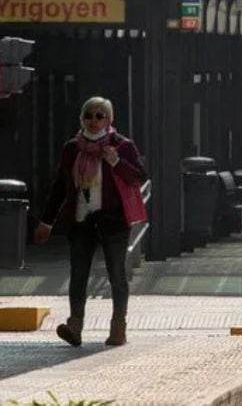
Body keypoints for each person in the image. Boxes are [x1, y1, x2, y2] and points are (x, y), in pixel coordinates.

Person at [33, 96, 148, 347]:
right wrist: (47, 221)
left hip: (113, 221)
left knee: (116, 274)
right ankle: (75, 325)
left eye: (100, 116)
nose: (94, 121)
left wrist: (116, 162)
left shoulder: (122, 146)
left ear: (109, 119)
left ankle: (118, 327)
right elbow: (60, 187)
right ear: (82, 119)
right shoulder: (72, 148)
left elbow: (139, 175)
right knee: (78, 274)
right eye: (89, 116)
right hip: (81, 220)